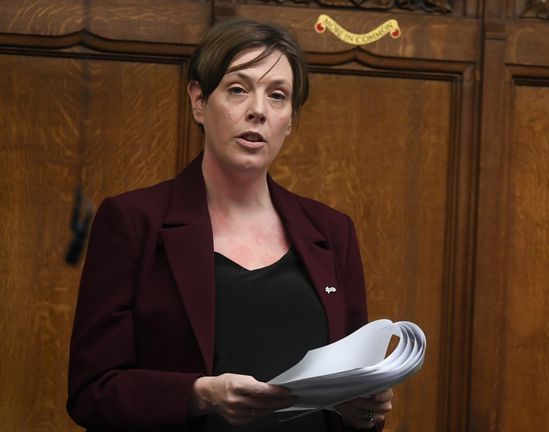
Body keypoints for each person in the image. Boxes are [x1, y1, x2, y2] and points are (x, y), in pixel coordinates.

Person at [67, 17, 393, 432]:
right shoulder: (132, 222)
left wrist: (365, 410)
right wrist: (200, 394)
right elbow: (92, 391)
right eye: (238, 89)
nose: (258, 110)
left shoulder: (332, 231)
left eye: (278, 96)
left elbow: (353, 391)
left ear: (290, 120)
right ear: (199, 101)